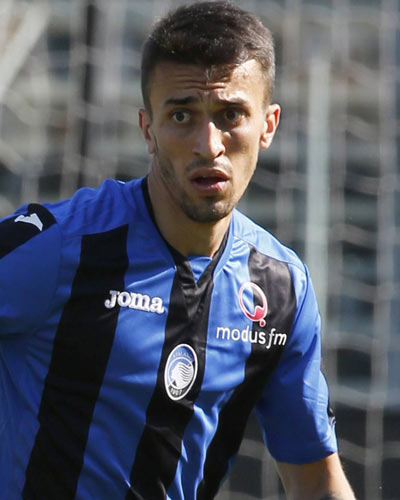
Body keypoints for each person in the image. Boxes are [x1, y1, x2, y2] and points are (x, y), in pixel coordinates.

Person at [0, 2, 356, 499]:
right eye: (182, 115)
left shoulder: (279, 289)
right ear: (147, 129)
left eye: (230, 115)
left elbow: (316, 481)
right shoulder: (59, 246)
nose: (208, 145)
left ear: (268, 125)